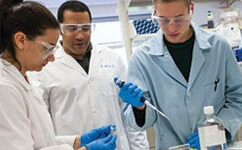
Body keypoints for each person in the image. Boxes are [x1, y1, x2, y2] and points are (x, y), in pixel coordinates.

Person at [115, 0, 242, 149]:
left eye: (179, 19)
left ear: (191, 9)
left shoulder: (218, 47)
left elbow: (238, 97)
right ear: (155, 12)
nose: (171, 27)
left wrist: (216, 130)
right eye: (164, 19)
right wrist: (139, 108)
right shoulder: (142, 59)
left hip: (216, 146)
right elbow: (142, 123)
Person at [28, 1, 149, 150]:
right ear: (60, 29)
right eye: (72, 28)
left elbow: (130, 116)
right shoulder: (43, 67)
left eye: (86, 28)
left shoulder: (112, 58)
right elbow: (42, 128)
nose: (80, 35)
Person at [0, 0, 117, 149]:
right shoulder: (4, 88)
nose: (52, 57)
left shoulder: (24, 80)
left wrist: (78, 141)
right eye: (47, 48)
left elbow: (42, 140)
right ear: (21, 40)